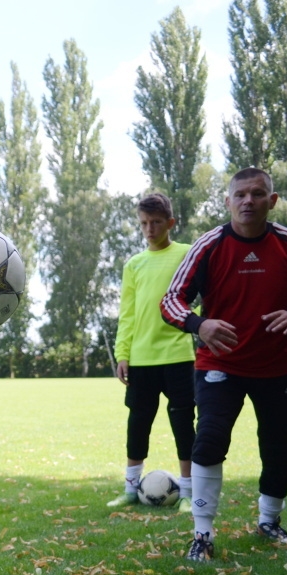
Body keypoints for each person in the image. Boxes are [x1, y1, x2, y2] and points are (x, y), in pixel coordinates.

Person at [161, 167, 287, 562]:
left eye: (257, 194)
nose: (248, 201)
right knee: (209, 440)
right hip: (220, 364)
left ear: (272, 201)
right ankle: (202, 534)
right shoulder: (208, 245)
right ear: (228, 201)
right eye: (240, 194)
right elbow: (171, 300)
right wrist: (199, 324)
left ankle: (269, 520)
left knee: (278, 446)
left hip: (278, 366)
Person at [108, 193, 195, 512]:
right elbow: (127, 313)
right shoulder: (134, 264)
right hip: (141, 359)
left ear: (170, 223)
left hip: (178, 355)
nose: (150, 229)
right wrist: (122, 354)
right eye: (144, 223)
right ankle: (131, 490)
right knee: (138, 424)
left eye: (156, 222)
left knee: (184, 424)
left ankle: (188, 493)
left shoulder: (187, 254)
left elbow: (202, 298)